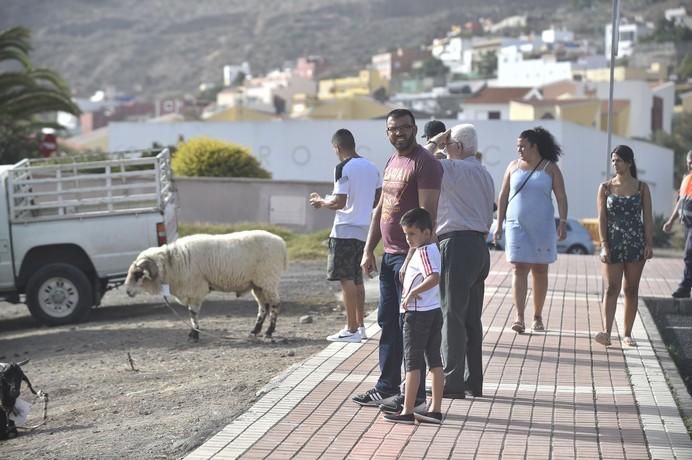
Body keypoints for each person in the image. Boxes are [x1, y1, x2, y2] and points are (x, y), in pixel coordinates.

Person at [353, 108, 443, 410]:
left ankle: (414, 396)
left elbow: (425, 218)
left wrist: (411, 259)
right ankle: (387, 386)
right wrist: (369, 249)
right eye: (393, 129)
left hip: (411, 260)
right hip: (390, 255)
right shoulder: (392, 161)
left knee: (411, 328)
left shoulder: (426, 164)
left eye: (404, 128)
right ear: (387, 132)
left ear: (414, 128)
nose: (398, 133)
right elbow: (381, 209)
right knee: (388, 322)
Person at [424, 124, 495, 398]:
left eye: (448, 144)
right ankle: (472, 380)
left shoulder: (454, 169)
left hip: (455, 243)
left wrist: (433, 142)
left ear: (459, 147)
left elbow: (421, 163)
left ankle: (451, 381)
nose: (444, 148)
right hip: (479, 246)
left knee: (451, 314)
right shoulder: (484, 173)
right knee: (471, 318)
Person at [309, 129, 381, 343]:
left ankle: (350, 329)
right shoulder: (372, 167)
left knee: (346, 279)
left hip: (344, 230)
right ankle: (360, 327)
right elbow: (378, 197)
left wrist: (321, 202)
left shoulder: (343, 167)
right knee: (358, 279)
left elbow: (339, 202)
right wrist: (361, 208)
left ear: (337, 147)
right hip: (363, 230)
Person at [495, 127, 568, 334]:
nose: (519, 150)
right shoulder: (513, 166)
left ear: (534, 146)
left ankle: (537, 315)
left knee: (540, 270)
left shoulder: (550, 167)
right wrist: (499, 224)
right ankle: (519, 316)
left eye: (523, 146)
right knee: (519, 267)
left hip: (543, 226)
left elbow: (561, 196)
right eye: (517, 146)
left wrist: (562, 222)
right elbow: (503, 195)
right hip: (516, 225)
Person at [382, 208, 444, 424]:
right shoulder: (433, 249)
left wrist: (410, 294)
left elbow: (433, 277)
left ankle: (407, 410)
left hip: (417, 315)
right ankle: (435, 409)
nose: (408, 239)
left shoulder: (424, 252)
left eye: (413, 234)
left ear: (427, 232)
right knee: (435, 361)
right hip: (433, 311)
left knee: (412, 364)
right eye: (406, 234)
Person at [594, 145, 654, 347]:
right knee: (611, 288)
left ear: (629, 162)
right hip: (612, 243)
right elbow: (601, 218)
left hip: (635, 243)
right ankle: (607, 332)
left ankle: (627, 334)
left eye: (618, 160)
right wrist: (603, 244)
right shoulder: (605, 187)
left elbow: (647, 217)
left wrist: (648, 243)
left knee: (631, 289)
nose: (615, 164)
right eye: (613, 160)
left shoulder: (642, 188)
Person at [662, 150, 692, 298]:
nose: (691, 165)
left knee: (689, 253)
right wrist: (670, 221)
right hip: (687, 224)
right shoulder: (686, 179)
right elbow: (680, 201)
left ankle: (685, 287)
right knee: (689, 255)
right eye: (689, 163)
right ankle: (686, 288)